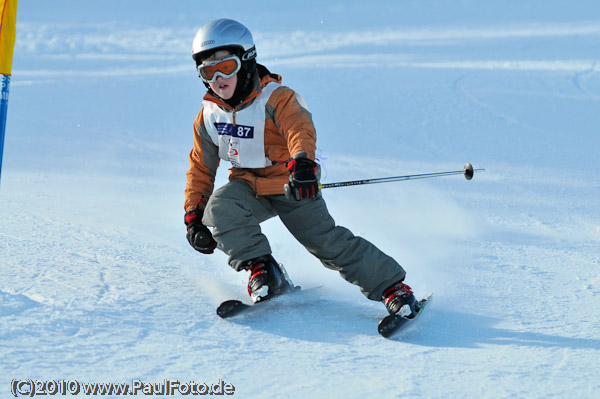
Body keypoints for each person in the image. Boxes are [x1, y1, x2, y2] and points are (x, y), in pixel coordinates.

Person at [184, 18, 418, 316]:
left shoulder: (277, 98)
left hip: (292, 185)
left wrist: (303, 165)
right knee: (218, 209)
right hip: (248, 187)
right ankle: (264, 270)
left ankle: (393, 289)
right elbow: (200, 167)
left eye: (226, 66)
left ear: (246, 60)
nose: (217, 77)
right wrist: (193, 214)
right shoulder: (209, 115)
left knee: (326, 244)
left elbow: (299, 129)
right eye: (207, 70)